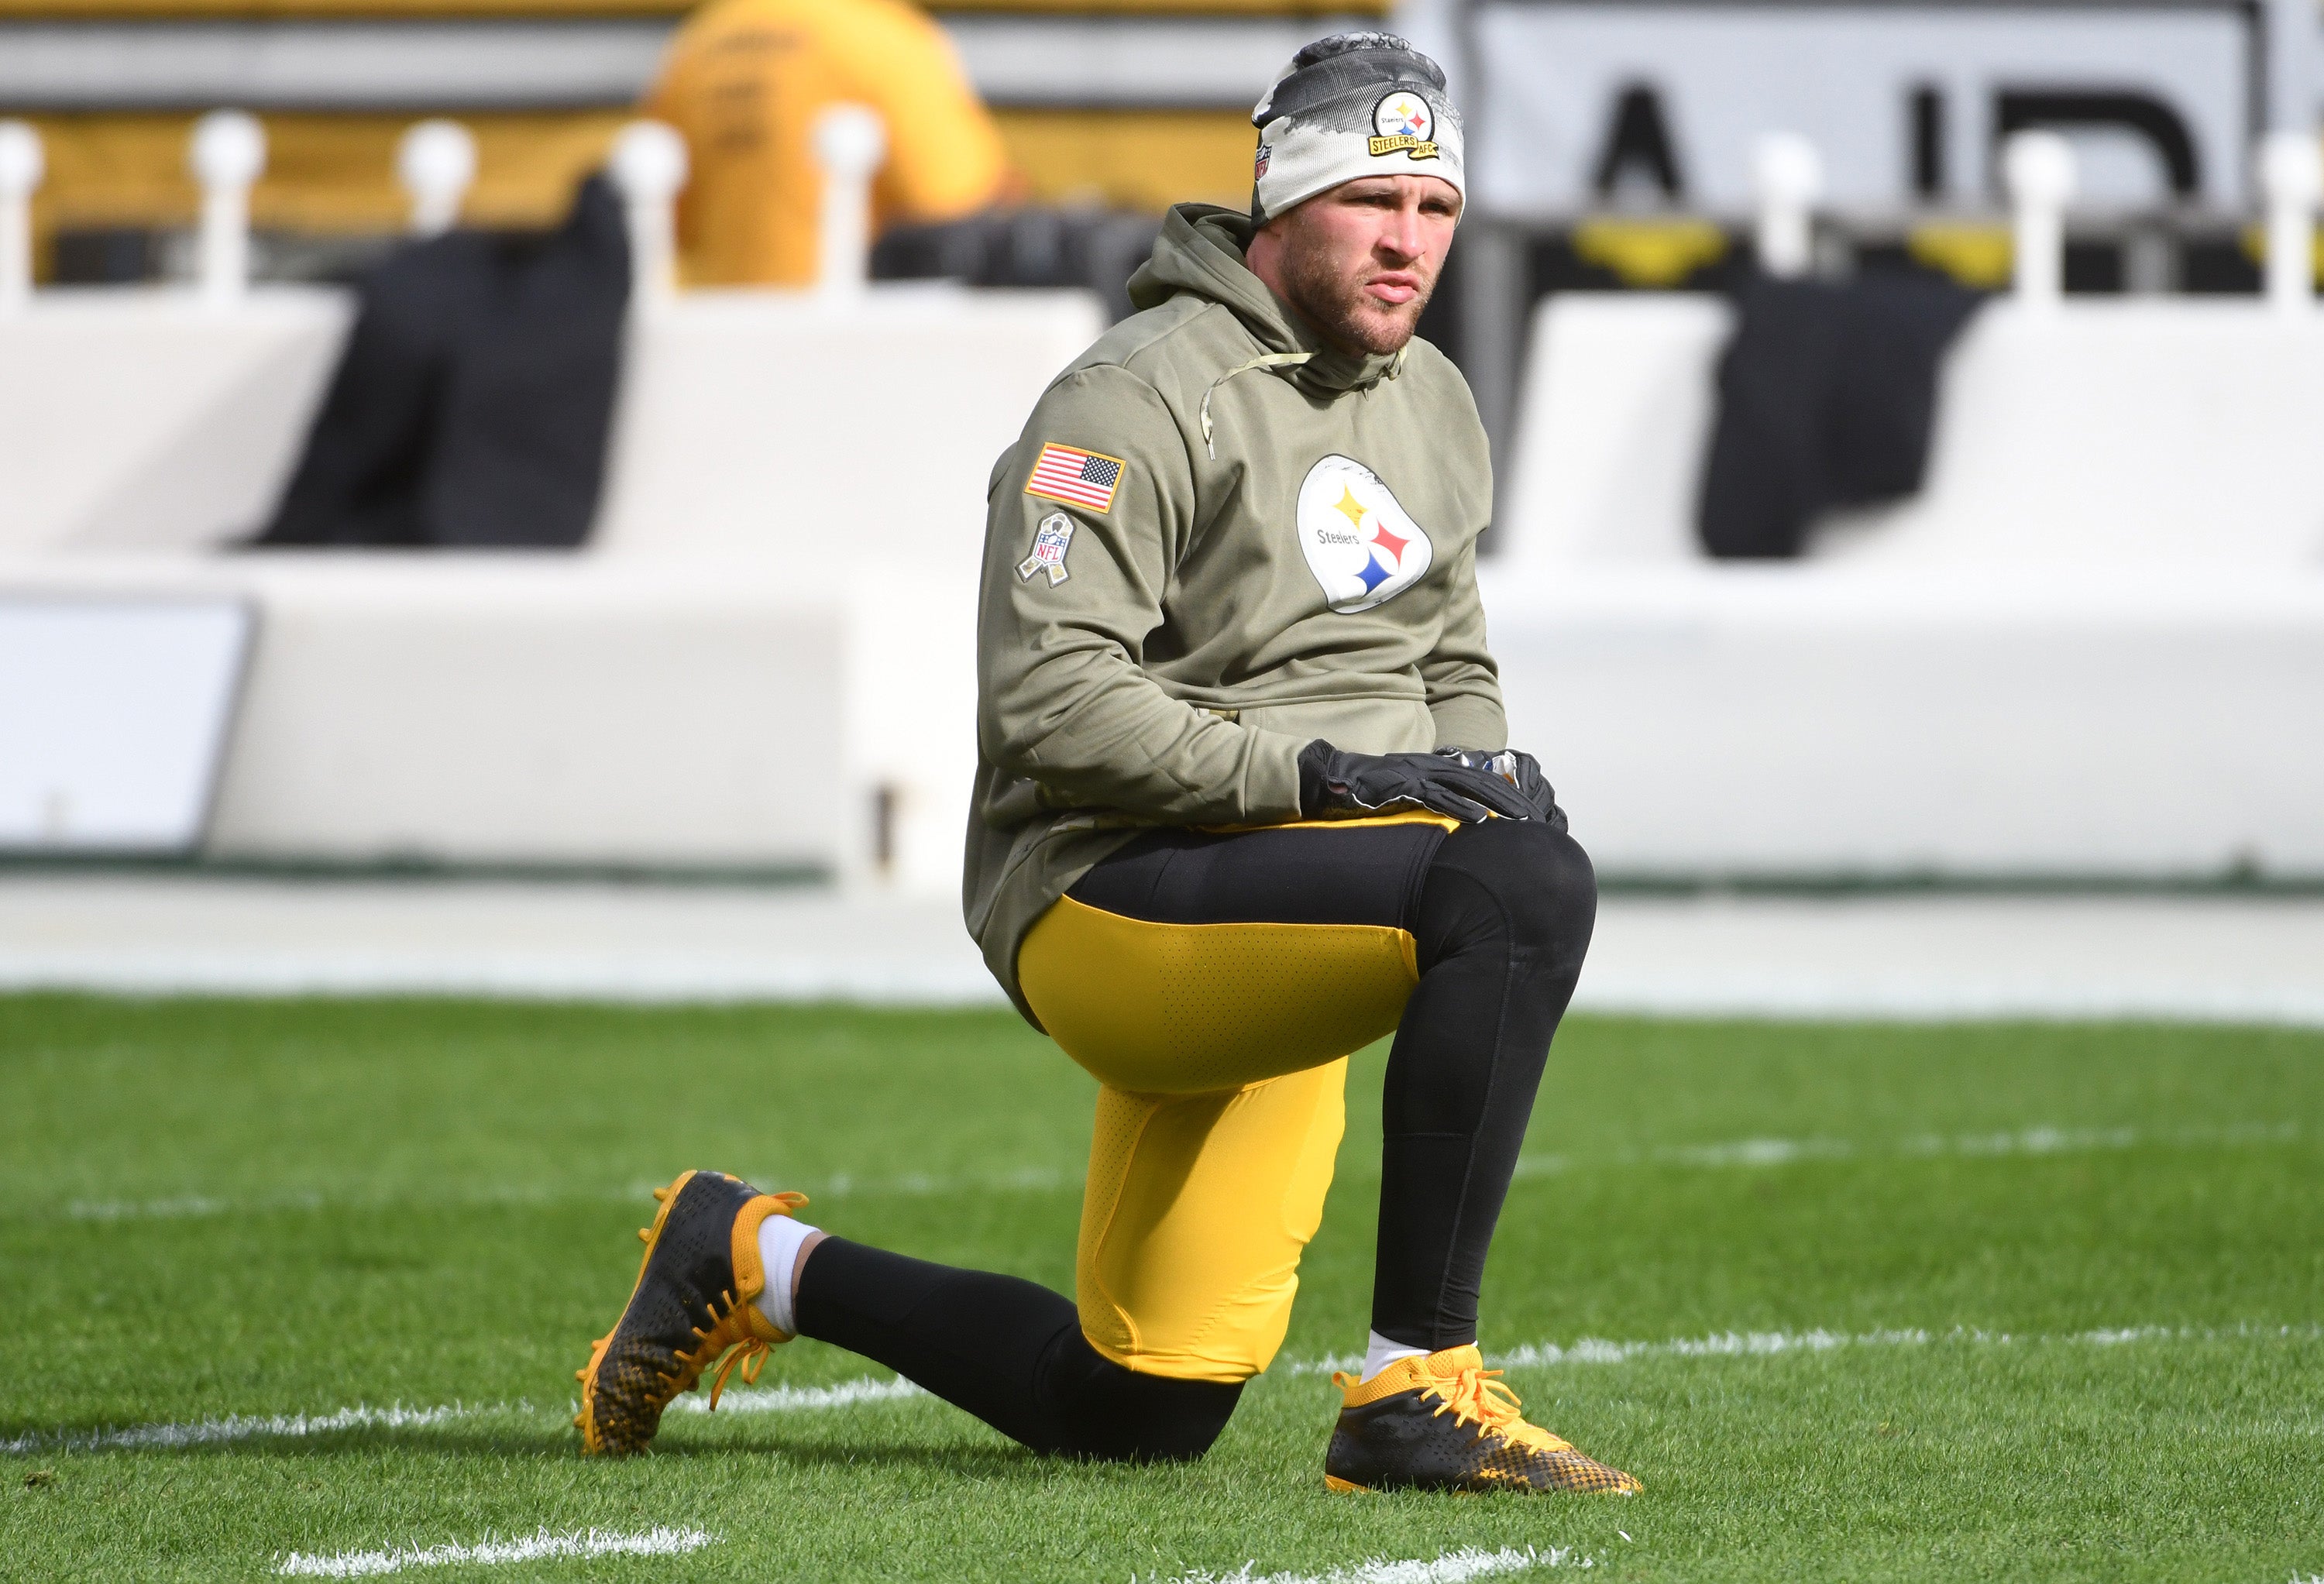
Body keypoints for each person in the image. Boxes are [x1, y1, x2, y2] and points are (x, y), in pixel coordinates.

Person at [576, 31, 1639, 1497]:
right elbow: (1050, 701)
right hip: (1112, 890)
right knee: (1523, 893)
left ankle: (755, 1258)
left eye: (1436, 208)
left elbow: (1445, 649)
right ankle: (1416, 1386)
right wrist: (1322, 781)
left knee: (1141, 1403)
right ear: (1283, 203)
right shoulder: (1132, 396)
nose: (1409, 242)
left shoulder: (1434, 398)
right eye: (1370, 202)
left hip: (1303, 889)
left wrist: (1479, 772)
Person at [641, 0, 1012, 287]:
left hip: (717, 334)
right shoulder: (885, 38)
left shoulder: (699, 40)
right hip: (848, 340)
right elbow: (961, 206)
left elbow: (667, 223)